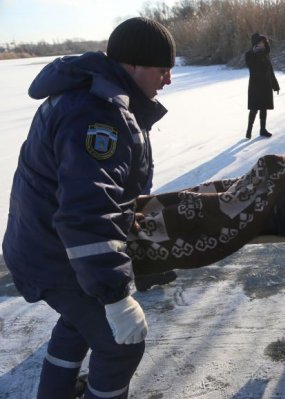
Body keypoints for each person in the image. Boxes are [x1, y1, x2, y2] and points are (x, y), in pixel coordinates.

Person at [2, 17, 176, 398]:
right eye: (162, 70)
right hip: (56, 254)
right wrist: (114, 294)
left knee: (78, 322)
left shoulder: (99, 96)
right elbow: (87, 212)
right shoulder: (97, 114)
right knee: (121, 342)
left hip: (42, 244)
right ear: (132, 65)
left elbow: (100, 192)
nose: (168, 80)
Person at [245, 33, 280, 139]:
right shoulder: (249, 55)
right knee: (254, 109)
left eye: (263, 43)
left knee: (264, 108)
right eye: (259, 43)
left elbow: (270, 71)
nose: (262, 45)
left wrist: (275, 85)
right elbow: (251, 66)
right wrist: (255, 53)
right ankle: (249, 130)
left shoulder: (266, 55)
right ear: (254, 44)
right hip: (255, 86)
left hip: (266, 86)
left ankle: (263, 130)